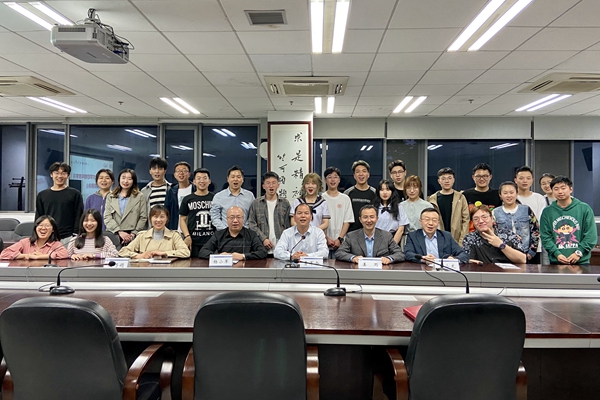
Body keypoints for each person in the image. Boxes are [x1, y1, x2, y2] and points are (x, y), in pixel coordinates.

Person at [540, 176, 597, 265]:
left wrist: (578, 253)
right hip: (556, 261)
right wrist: (557, 254)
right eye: (556, 189)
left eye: (563, 188)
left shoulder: (584, 208)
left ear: (570, 189)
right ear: (552, 191)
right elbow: (545, 236)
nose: (560, 192)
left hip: (581, 261)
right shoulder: (547, 211)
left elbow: (591, 235)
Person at [335, 205, 405, 264]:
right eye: (365, 217)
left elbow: (400, 254)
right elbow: (339, 253)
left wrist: (389, 259)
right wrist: (353, 258)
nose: (369, 220)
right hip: (359, 272)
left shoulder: (386, 236)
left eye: (372, 217)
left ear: (377, 219)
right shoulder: (351, 236)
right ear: (360, 219)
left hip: (381, 272)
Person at [118, 205, 190, 259]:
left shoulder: (174, 235)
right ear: (150, 219)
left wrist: (164, 253)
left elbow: (186, 252)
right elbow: (123, 252)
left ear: (167, 219)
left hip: (168, 270)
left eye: (162, 217)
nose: (158, 220)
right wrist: (139, 256)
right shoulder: (142, 236)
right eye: (155, 216)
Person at [493, 181, 540, 263]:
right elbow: (494, 233)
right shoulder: (495, 212)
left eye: (511, 192)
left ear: (517, 193)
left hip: (524, 253)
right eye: (505, 193)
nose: (509, 195)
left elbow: (535, 230)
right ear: (500, 195)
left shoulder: (526, 209)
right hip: (503, 254)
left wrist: (531, 252)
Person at [35, 161, 84, 240]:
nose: (60, 176)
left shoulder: (75, 194)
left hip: (68, 236)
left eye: (63, 173)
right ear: (51, 174)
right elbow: (39, 217)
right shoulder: (42, 195)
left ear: (68, 176)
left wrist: (76, 234)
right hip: (48, 236)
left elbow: (79, 215)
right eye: (56, 173)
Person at [199, 206, 267, 261]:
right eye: (232, 217)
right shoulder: (219, 235)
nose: (235, 221)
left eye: (238, 217)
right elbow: (203, 252)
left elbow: (262, 252)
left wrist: (243, 256)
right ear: (227, 219)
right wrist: (219, 256)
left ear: (243, 219)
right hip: (224, 270)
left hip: (245, 270)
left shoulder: (251, 235)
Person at [247, 171, 291, 256]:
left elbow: (288, 226)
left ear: (278, 185)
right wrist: (263, 239)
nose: (271, 186)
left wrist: (284, 241)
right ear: (263, 186)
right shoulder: (256, 203)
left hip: (282, 247)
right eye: (268, 183)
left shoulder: (285, 203)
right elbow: (251, 224)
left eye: (274, 183)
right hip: (261, 247)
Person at [404, 208, 468, 264]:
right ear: (421, 222)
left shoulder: (446, 236)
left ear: (438, 223)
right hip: (422, 269)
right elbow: (408, 253)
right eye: (427, 219)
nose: (431, 223)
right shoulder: (413, 236)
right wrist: (423, 259)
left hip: (442, 270)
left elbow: (463, 254)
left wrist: (454, 259)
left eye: (434, 220)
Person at [104, 169, 148, 245]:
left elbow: (143, 217)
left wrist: (133, 234)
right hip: (114, 233)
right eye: (123, 178)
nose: (126, 181)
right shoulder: (111, 196)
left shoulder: (140, 196)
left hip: (133, 235)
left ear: (133, 181)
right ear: (119, 179)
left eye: (129, 179)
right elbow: (107, 217)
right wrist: (119, 231)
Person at [427, 167, 469, 245]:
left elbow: (466, 220)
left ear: (453, 180)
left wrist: (461, 242)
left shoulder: (460, 197)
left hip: (457, 240)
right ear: (439, 181)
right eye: (443, 178)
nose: (446, 181)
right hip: (437, 240)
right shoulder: (432, 199)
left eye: (449, 178)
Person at [179, 168, 215, 258]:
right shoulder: (187, 199)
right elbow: (182, 219)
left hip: (211, 240)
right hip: (193, 240)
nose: (202, 181)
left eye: (205, 178)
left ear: (209, 181)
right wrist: (187, 236)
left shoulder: (215, 198)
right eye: (199, 178)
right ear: (194, 181)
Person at [0, 215, 68, 260]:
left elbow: (65, 254)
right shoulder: (25, 242)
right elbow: (4, 254)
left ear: (53, 230)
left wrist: (41, 256)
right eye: (40, 225)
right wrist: (26, 255)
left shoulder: (56, 244)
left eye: (47, 226)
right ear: (36, 228)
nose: (43, 228)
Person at [210, 165, 256, 231]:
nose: (235, 179)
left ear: (242, 179)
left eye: (238, 177)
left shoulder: (249, 196)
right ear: (228, 179)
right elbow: (214, 216)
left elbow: (252, 216)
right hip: (224, 233)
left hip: (245, 233)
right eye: (233, 177)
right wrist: (226, 230)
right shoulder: (219, 196)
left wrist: (244, 229)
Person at [321, 166, 354, 256]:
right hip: (323, 242)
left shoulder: (345, 198)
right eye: (329, 177)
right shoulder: (321, 198)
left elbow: (347, 221)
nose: (332, 180)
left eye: (335, 177)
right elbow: (318, 221)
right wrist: (326, 238)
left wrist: (340, 239)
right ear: (325, 180)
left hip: (341, 243)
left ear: (339, 180)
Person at [344, 160, 376, 232]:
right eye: (357, 172)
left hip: (369, 232)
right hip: (351, 233)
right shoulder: (347, 193)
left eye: (364, 171)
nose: (361, 174)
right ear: (354, 176)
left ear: (368, 174)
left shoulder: (375, 193)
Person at [373, 179, 409, 244]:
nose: (385, 192)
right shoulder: (373, 208)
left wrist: (392, 245)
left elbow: (401, 229)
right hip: (375, 239)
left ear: (392, 191)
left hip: (393, 239)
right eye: (382, 190)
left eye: (388, 189)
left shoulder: (399, 207)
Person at [164, 161, 195, 231]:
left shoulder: (195, 189)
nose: (181, 173)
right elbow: (166, 211)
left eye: (184, 171)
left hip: (193, 230)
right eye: (178, 171)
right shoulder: (171, 191)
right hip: (176, 230)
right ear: (174, 175)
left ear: (189, 174)